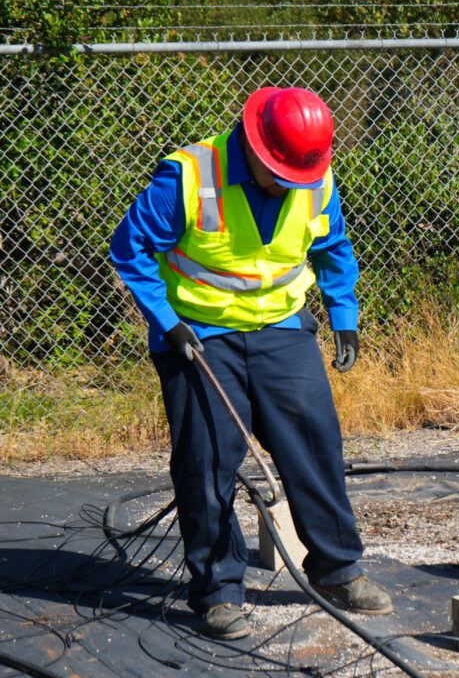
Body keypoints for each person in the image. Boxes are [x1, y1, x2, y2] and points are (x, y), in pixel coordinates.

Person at [110, 86, 392, 640]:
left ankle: (336, 570)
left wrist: (344, 313)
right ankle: (217, 591)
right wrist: (168, 321)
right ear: (256, 149)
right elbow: (130, 248)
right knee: (207, 462)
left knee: (315, 445)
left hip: (282, 329)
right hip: (201, 333)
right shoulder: (190, 176)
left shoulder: (316, 178)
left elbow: (333, 248)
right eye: (281, 174)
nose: (292, 186)